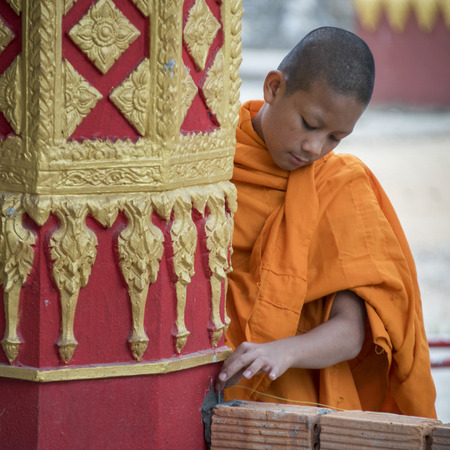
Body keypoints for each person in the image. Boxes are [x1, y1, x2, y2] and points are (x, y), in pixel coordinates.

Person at [215, 27, 436, 418]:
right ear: (274, 88)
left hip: (295, 403)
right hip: (204, 386)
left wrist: (284, 350)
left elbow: (352, 331)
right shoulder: (205, 160)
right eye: (309, 123)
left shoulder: (340, 186)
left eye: (335, 137)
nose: (314, 148)